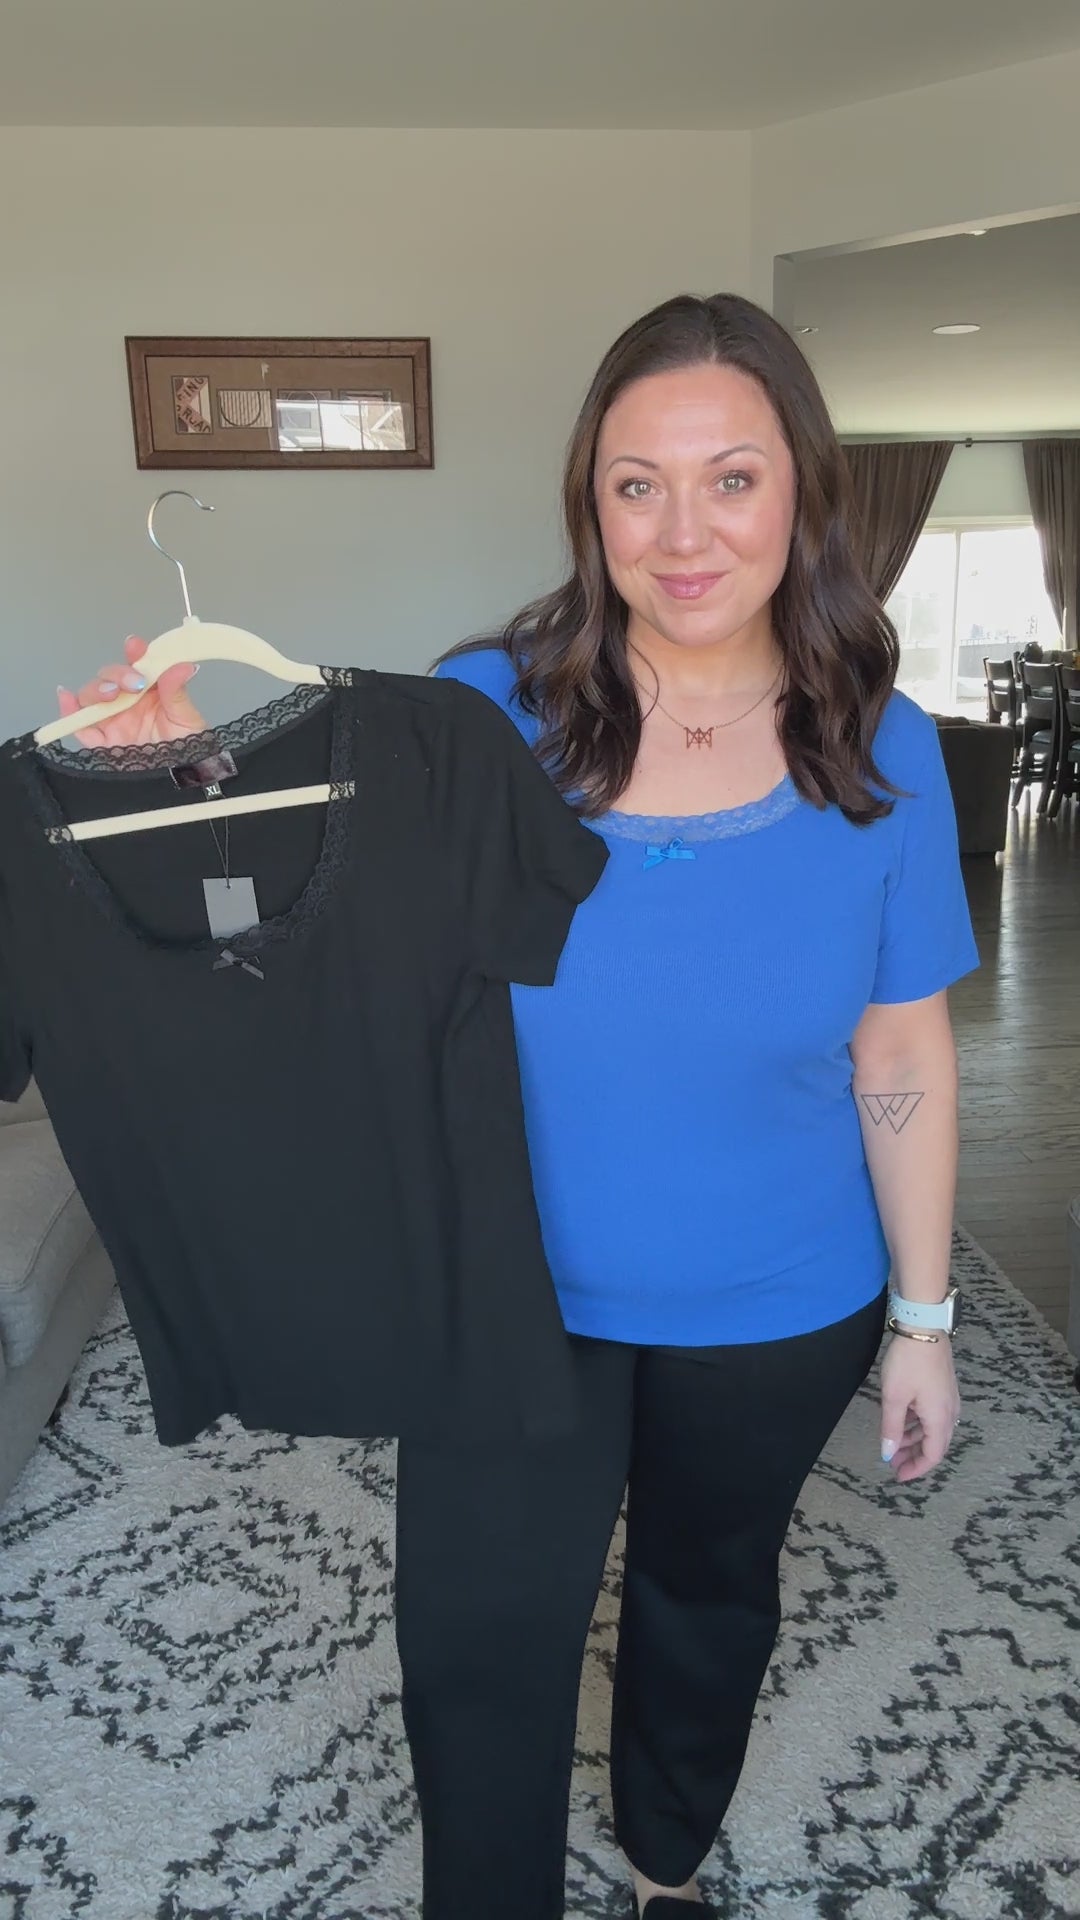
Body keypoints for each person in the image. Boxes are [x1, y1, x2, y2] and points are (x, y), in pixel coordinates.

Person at [61, 292, 977, 1920]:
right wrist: (181, 793)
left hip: (779, 1303)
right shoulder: (482, 713)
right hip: (499, 1290)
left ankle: (665, 1861)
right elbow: (306, 936)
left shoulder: (882, 750)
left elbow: (899, 1053)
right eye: (638, 484)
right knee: (478, 1635)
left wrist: (924, 1318)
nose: (683, 533)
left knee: (709, 1598)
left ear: (805, 493)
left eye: (733, 479)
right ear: (590, 501)